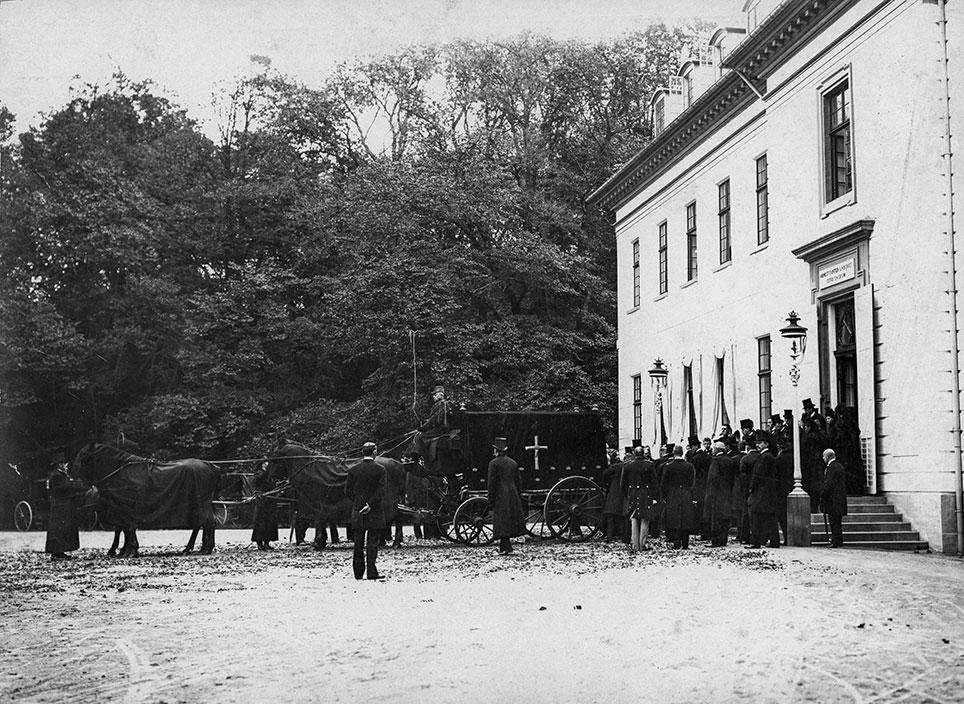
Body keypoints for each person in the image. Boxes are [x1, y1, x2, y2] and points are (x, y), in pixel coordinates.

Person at [345, 442, 387, 580]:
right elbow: (381, 491)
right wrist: (370, 504)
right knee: (372, 543)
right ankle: (371, 572)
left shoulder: (353, 470)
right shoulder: (380, 469)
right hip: (374, 511)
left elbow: (347, 491)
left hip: (358, 510)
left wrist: (359, 503)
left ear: (363, 453)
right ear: (374, 452)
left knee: (358, 542)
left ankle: (358, 573)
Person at [44, 453, 88, 561]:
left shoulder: (60, 475)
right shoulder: (57, 476)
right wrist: (81, 487)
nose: (66, 465)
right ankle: (56, 553)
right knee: (59, 529)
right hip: (60, 506)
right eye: (64, 463)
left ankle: (59, 552)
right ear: (59, 465)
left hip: (62, 505)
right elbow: (65, 487)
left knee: (63, 529)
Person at [487, 437, 525, 555]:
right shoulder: (513, 463)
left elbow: (491, 483)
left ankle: (505, 547)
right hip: (512, 493)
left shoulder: (493, 463)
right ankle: (506, 546)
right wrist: (518, 494)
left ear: (496, 451)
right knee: (509, 518)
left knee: (502, 520)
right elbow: (518, 481)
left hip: (500, 494)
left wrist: (490, 499)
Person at [746, 431, 781, 549]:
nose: (758, 445)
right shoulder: (769, 456)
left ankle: (756, 542)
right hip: (768, 492)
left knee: (756, 516)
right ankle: (774, 541)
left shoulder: (764, 457)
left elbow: (757, 475)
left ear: (766, 444)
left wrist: (751, 487)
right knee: (769, 517)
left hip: (761, 492)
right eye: (757, 443)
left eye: (760, 443)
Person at [660, 445, 695, 549]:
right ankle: (685, 543)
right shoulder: (689, 466)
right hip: (686, 493)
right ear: (682, 452)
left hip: (672, 494)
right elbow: (692, 482)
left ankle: (676, 542)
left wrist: (665, 497)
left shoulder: (668, 466)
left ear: (674, 453)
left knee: (674, 518)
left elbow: (664, 483)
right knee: (685, 518)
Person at [621, 446, 655, 551]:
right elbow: (654, 482)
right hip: (646, 493)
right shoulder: (649, 465)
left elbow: (623, 484)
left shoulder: (627, 466)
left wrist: (627, 495)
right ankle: (642, 544)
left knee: (634, 518)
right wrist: (655, 496)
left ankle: (635, 545)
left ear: (634, 454)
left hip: (632, 493)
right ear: (643, 454)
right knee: (645, 518)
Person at [704, 441, 736, 547]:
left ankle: (716, 540)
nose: (712, 450)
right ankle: (723, 539)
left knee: (716, 517)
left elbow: (712, 478)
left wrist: (710, 493)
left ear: (717, 450)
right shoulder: (729, 461)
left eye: (713, 449)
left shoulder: (716, 461)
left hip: (717, 494)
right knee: (725, 517)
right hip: (727, 492)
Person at [413, 385, 450, 467]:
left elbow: (436, 420)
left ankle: (416, 458)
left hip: (440, 429)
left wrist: (423, 427)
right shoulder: (439, 404)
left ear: (439, 395)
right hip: (438, 428)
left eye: (434, 395)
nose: (433, 397)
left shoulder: (442, 404)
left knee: (421, 437)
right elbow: (433, 419)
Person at [820, 448, 848, 548]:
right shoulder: (839, 466)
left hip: (833, 500)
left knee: (834, 522)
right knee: (837, 522)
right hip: (839, 499)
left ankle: (835, 542)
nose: (823, 458)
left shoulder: (831, 467)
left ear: (828, 456)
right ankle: (838, 541)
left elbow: (828, 484)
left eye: (824, 456)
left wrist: (823, 495)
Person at [250, 461, 279, 551]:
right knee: (261, 521)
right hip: (262, 501)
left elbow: (273, 485)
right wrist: (257, 493)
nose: (267, 465)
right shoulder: (259, 474)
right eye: (265, 464)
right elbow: (254, 485)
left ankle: (267, 542)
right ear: (261, 465)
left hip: (270, 501)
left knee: (270, 522)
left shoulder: (271, 475)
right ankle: (259, 543)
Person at [602, 448, 628, 542]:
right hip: (624, 494)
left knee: (610, 516)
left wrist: (608, 483)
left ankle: (609, 537)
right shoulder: (627, 466)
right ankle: (624, 537)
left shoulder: (616, 467)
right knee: (622, 517)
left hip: (613, 493)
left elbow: (605, 474)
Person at [688, 436, 711, 540]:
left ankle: (701, 531)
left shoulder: (695, 458)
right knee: (706, 509)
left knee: (700, 509)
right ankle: (707, 531)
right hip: (707, 486)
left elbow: (693, 475)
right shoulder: (707, 456)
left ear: (695, 446)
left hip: (698, 487)